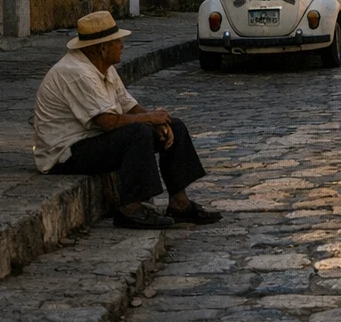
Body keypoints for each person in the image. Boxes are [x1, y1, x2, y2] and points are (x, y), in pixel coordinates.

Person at [33, 11, 221, 229]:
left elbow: (127, 103)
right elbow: (106, 122)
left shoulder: (102, 66)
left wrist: (158, 122)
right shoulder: (78, 73)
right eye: (117, 42)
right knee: (137, 132)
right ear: (102, 48)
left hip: (91, 140)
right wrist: (148, 118)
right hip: (66, 153)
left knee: (174, 126)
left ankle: (180, 203)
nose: (122, 45)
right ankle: (130, 208)